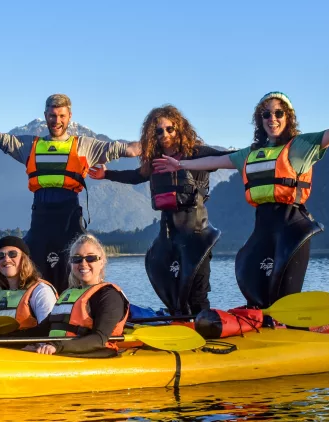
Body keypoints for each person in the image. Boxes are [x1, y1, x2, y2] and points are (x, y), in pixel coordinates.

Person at [154, 91, 329, 310]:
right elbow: (213, 161)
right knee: (255, 290)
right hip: (263, 231)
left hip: (292, 232)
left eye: (278, 113)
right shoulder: (250, 154)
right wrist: (180, 164)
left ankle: (307, 329)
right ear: (260, 119)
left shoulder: (301, 146)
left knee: (284, 299)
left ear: (288, 117)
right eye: (266, 114)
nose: (272, 119)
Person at [0, 94, 141, 292]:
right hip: (41, 217)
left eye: (61, 116)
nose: (56, 120)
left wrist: (167, 141)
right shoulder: (29, 145)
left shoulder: (84, 146)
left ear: (70, 117)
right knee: (23, 261)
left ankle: (90, 306)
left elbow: (129, 149)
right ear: (45, 116)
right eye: (52, 115)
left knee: (84, 260)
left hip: (69, 217)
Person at [89, 105, 231, 315]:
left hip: (197, 233)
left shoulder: (197, 153)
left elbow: (231, 158)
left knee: (197, 294)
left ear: (179, 128)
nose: (164, 134)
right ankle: (179, 327)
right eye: (158, 131)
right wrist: (107, 174)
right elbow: (136, 176)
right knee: (174, 290)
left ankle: (204, 331)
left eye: (169, 129)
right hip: (169, 234)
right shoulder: (155, 160)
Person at [24, 233, 130, 357]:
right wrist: (0, 338)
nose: (83, 263)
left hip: (96, 356)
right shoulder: (68, 294)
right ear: (71, 263)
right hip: (61, 352)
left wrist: (56, 347)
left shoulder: (109, 295)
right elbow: (40, 330)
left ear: (101, 262)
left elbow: (99, 339)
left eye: (90, 258)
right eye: (77, 259)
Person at [0, 236, 57, 329]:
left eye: (12, 254)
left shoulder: (41, 291)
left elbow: (49, 330)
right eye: (0, 256)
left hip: (30, 343)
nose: (6, 259)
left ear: (25, 259)